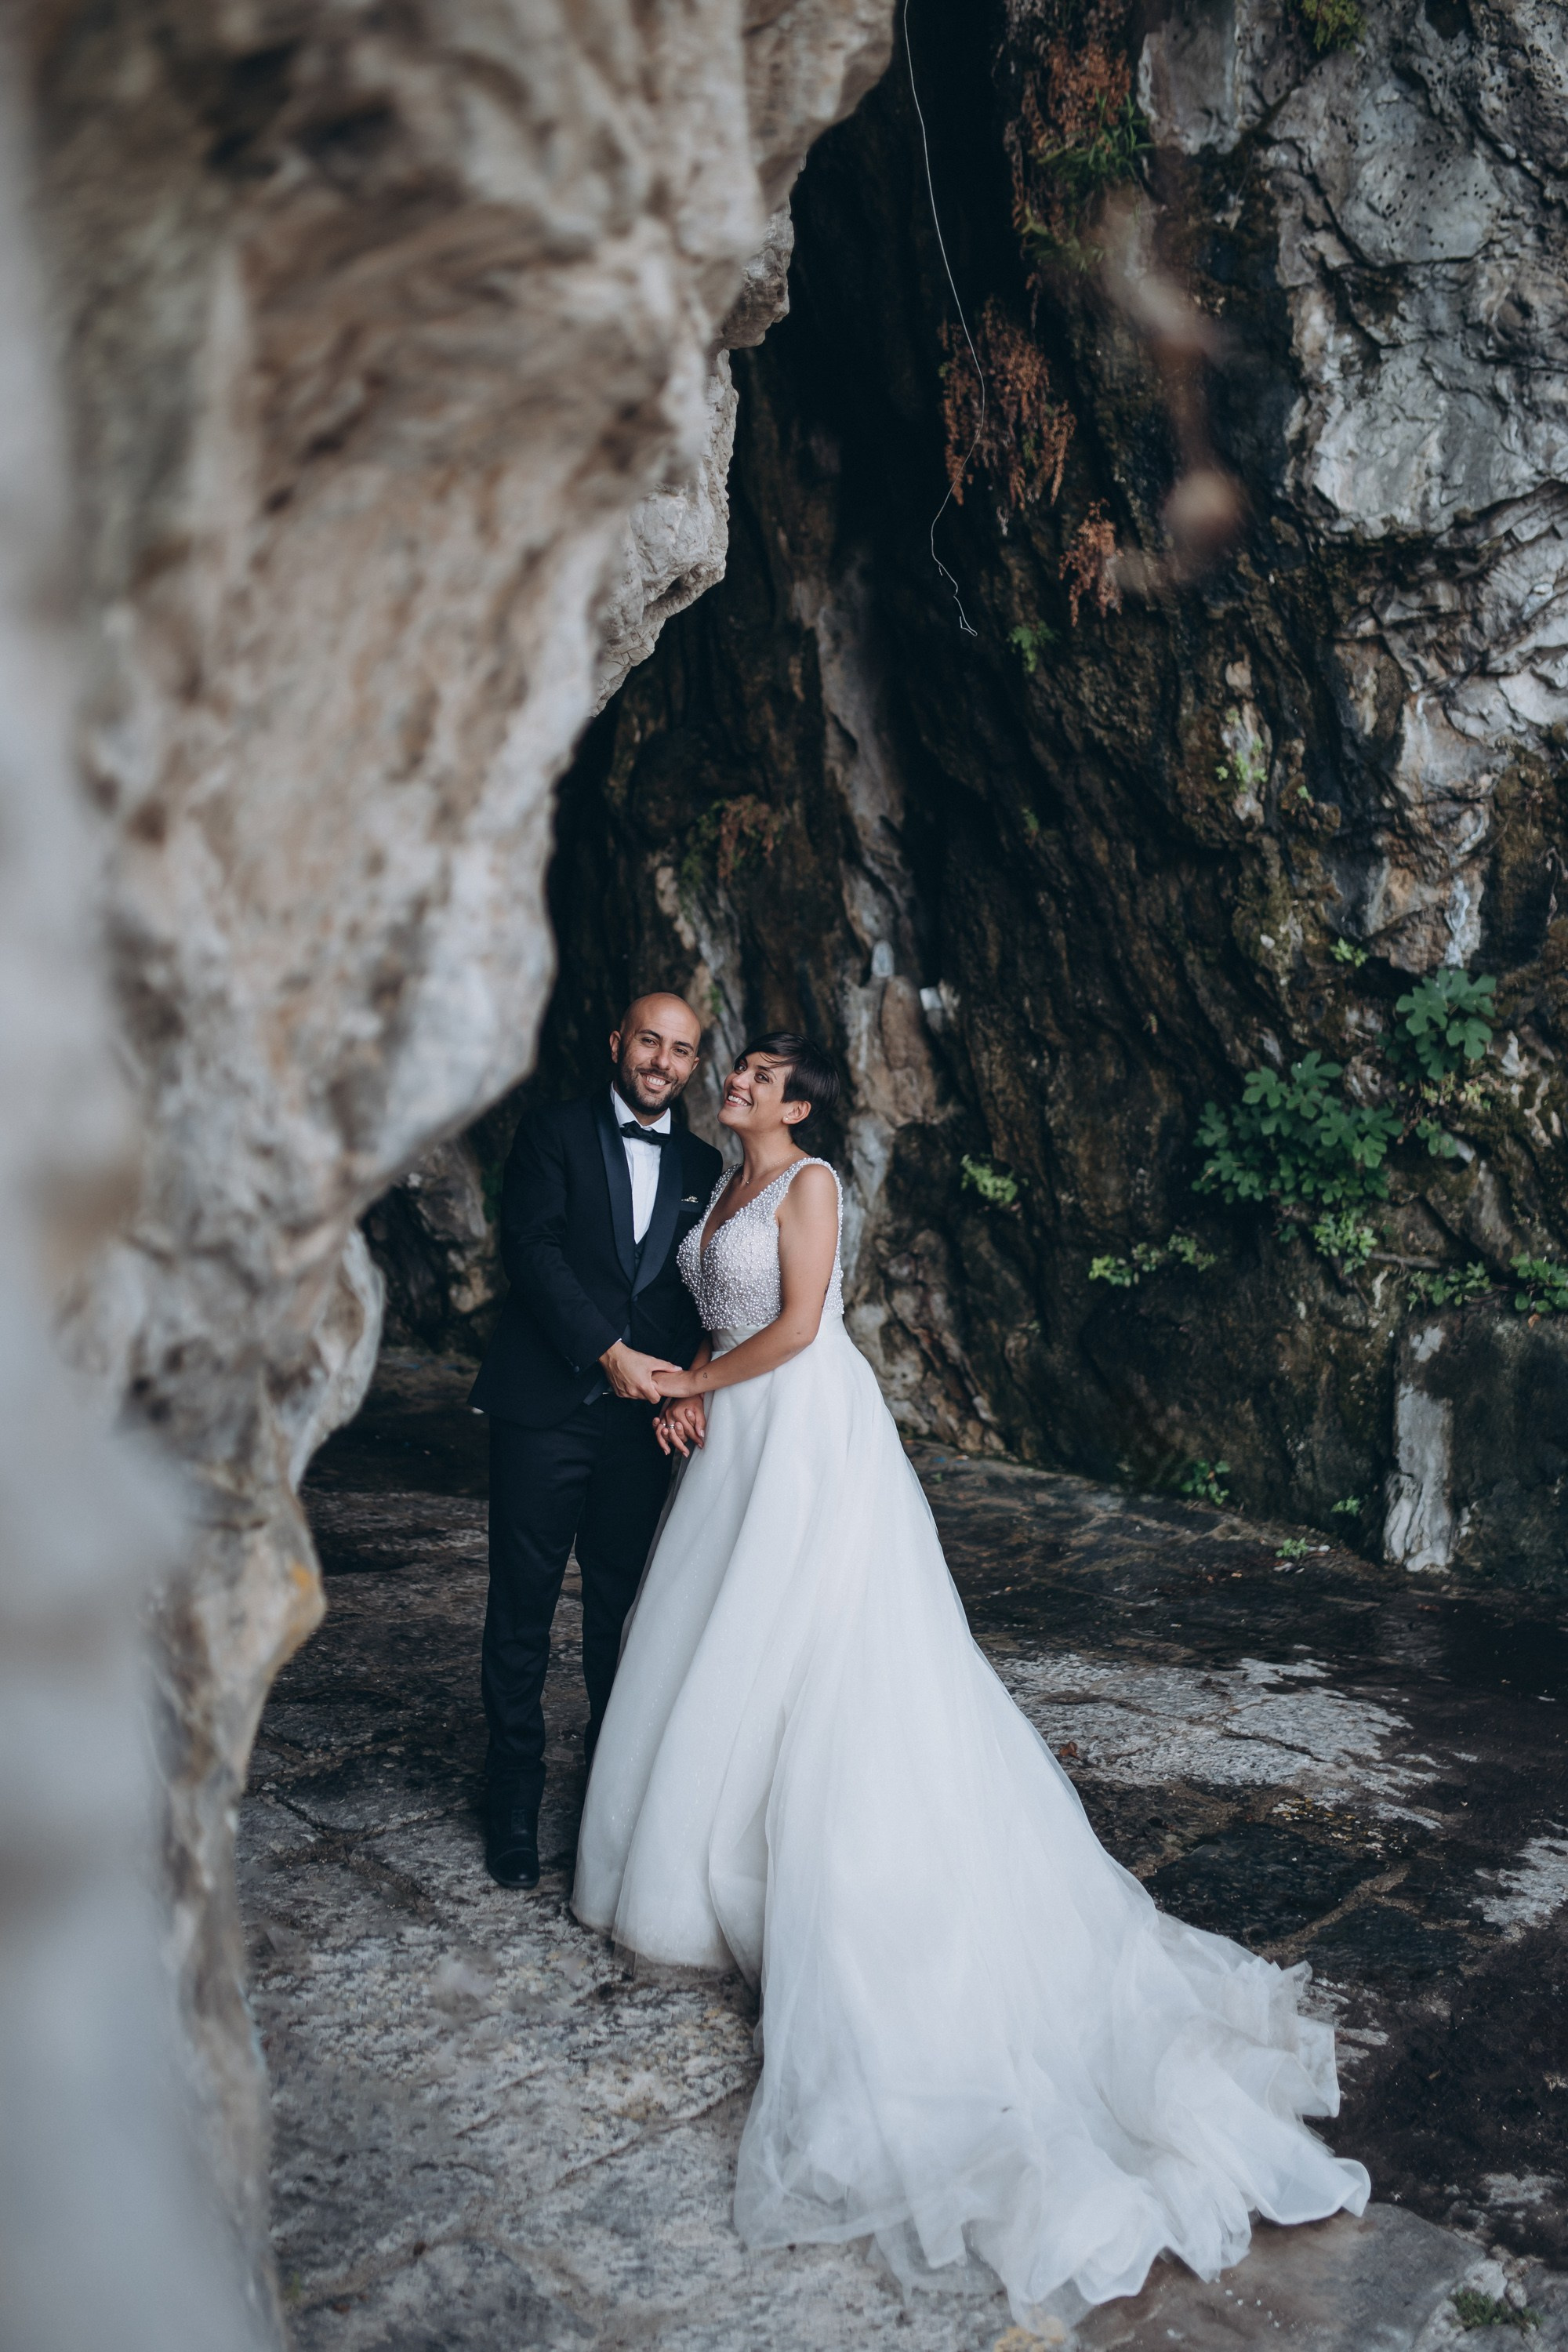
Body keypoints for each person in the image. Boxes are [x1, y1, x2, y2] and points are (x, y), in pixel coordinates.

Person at [573, 1031, 1370, 2332]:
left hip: (804, 1432)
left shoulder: (811, 1184)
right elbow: (707, 1304)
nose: (740, 1081)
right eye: (745, 1070)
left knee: (819, 1651)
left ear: (804, 1105)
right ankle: (692, 1848)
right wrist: (675, 1393)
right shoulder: (720, 1184)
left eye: (764, 1077)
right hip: (731, 1443)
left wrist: (692, 1383)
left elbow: (787, 1325)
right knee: (720, 1643)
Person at [467, 993, 722, 1889]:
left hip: (639, 1430)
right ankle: (510, 1792)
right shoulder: (551, 1132)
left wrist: (682, 1387)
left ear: (693, 1067)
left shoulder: (705, 1162)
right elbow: (530, 1251)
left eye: (680, 1050)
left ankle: (607, 1805)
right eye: (649, 1040)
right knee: (521, 1609)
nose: (661, 1061)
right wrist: (606, 1352)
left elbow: (705, 1294)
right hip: (545, 1408)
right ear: (617, 1043)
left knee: (624, 1613)